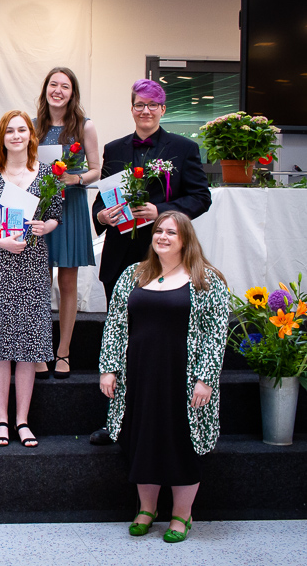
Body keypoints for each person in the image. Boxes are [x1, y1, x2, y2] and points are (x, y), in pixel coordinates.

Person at [90, 78, 211, 445]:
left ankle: (164, 421)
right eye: (139, 104)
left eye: (152, 105)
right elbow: (101, 202)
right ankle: (116, 422)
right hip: (120, 256)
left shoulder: (184, 148)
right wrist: (101, 216)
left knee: (161, 342)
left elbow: (201, 197)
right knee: (120, 339)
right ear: (132, 109)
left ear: (162, 109)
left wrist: (163, 211)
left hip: (167, 257)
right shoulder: (113, 149)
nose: (145, 110)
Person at [98, 211, 229, 543]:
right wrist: (109, 368)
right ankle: (147, 509)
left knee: (181, 443)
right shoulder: (133, 274)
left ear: (185, 239)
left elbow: (216, 335)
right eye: (159, 231)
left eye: (171, 232)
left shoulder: (206, 279)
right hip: (139, 376)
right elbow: (115, 325)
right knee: (142, 440)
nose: (163, 237)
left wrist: (205, 379)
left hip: (183, 379)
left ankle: (182, 514)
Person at [0, 110, 62, 448]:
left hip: (33, 264)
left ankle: (22, 421)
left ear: (31, 135)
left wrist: (45, 226)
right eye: (10, 131)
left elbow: (55, 215)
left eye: (22, 130)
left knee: (29, 344)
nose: (16, 135)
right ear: (2, 137)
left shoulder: (48, 173)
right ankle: (2, 420)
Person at [34, 67, 101, 379]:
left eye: (65, 86)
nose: (58, 90)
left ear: (73, 93)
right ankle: (39, 350)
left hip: (71, 205)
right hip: (39, 207)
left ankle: (63, 351)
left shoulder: (85, 126)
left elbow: (96, 169)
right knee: (39, 281)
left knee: (68, 281)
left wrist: (76, 178)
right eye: (53, 84)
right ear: (45, 89)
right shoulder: (33, 125)